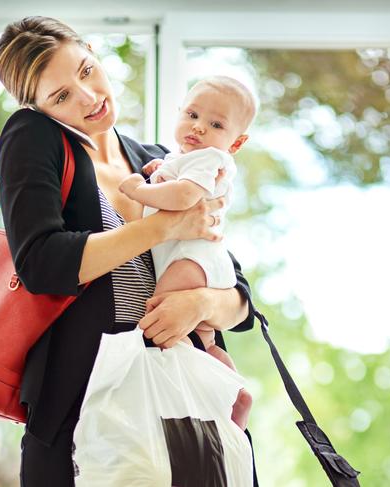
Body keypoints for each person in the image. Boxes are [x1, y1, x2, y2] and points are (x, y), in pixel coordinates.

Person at [0, 16, 260, 486]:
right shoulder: (35, 138)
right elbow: (41, 263)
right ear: (37, 109)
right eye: (60, 96)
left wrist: (197, 303)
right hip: (80, 415)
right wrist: (163, 227)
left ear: (94, 53)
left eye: (85, 70)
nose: (89, 97)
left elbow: (239, 300)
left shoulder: (161, 160)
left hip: (177, 411)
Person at [118, 75, 256, 430]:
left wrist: (138, 189)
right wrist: (156, 172)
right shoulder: (184, 160)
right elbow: (174, 179)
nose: (198, 127)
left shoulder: (210, 158)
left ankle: (206, 396)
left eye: (216, 124)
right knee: (202, 339)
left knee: (162, 314)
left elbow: (182, 197)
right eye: (192, 115)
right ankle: (233, 393)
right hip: (193, 260)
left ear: (235, 142)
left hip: (194, 261)